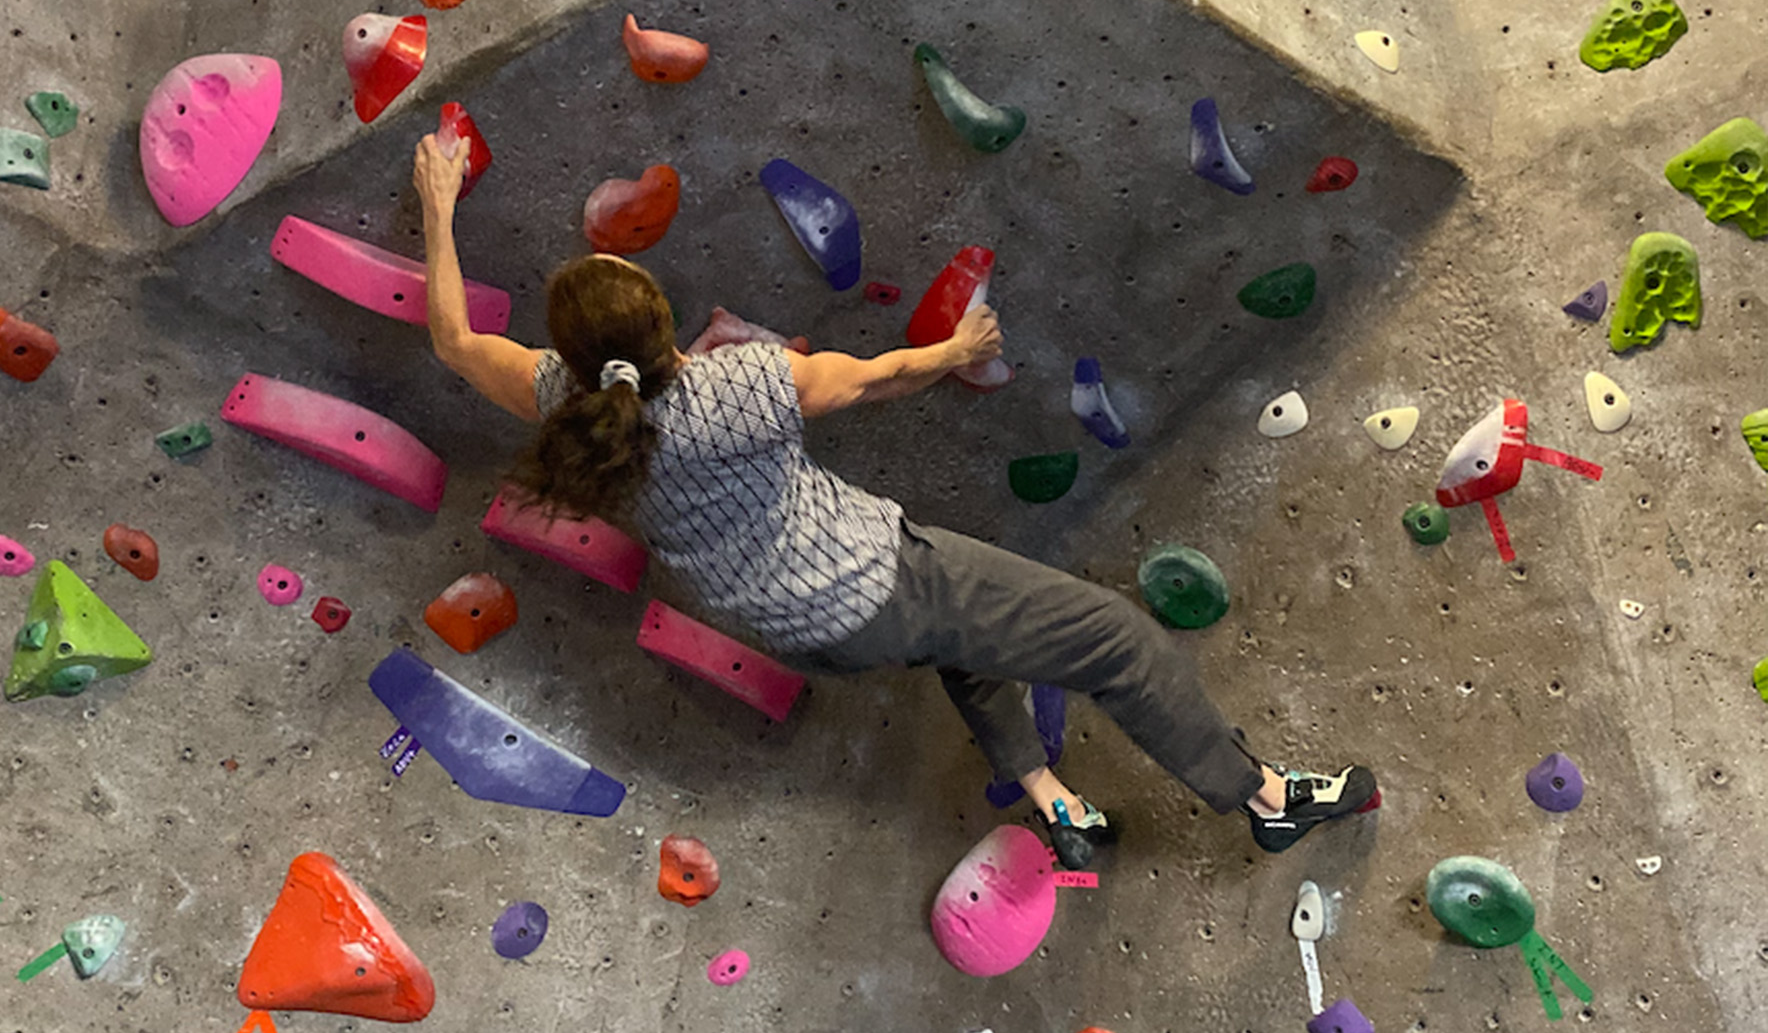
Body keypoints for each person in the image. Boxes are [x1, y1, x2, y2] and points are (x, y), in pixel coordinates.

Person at [413, 135, 1376, 867]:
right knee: (1117, 640)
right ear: (665, 327)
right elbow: (881, 378)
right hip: (876, 580)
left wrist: (438, 205)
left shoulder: (559, 401)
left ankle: (1052, 800)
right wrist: (959, 352)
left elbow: (455, 338)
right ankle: (1262, 797)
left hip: (793, 628)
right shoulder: (741, 387)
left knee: (979, 631)